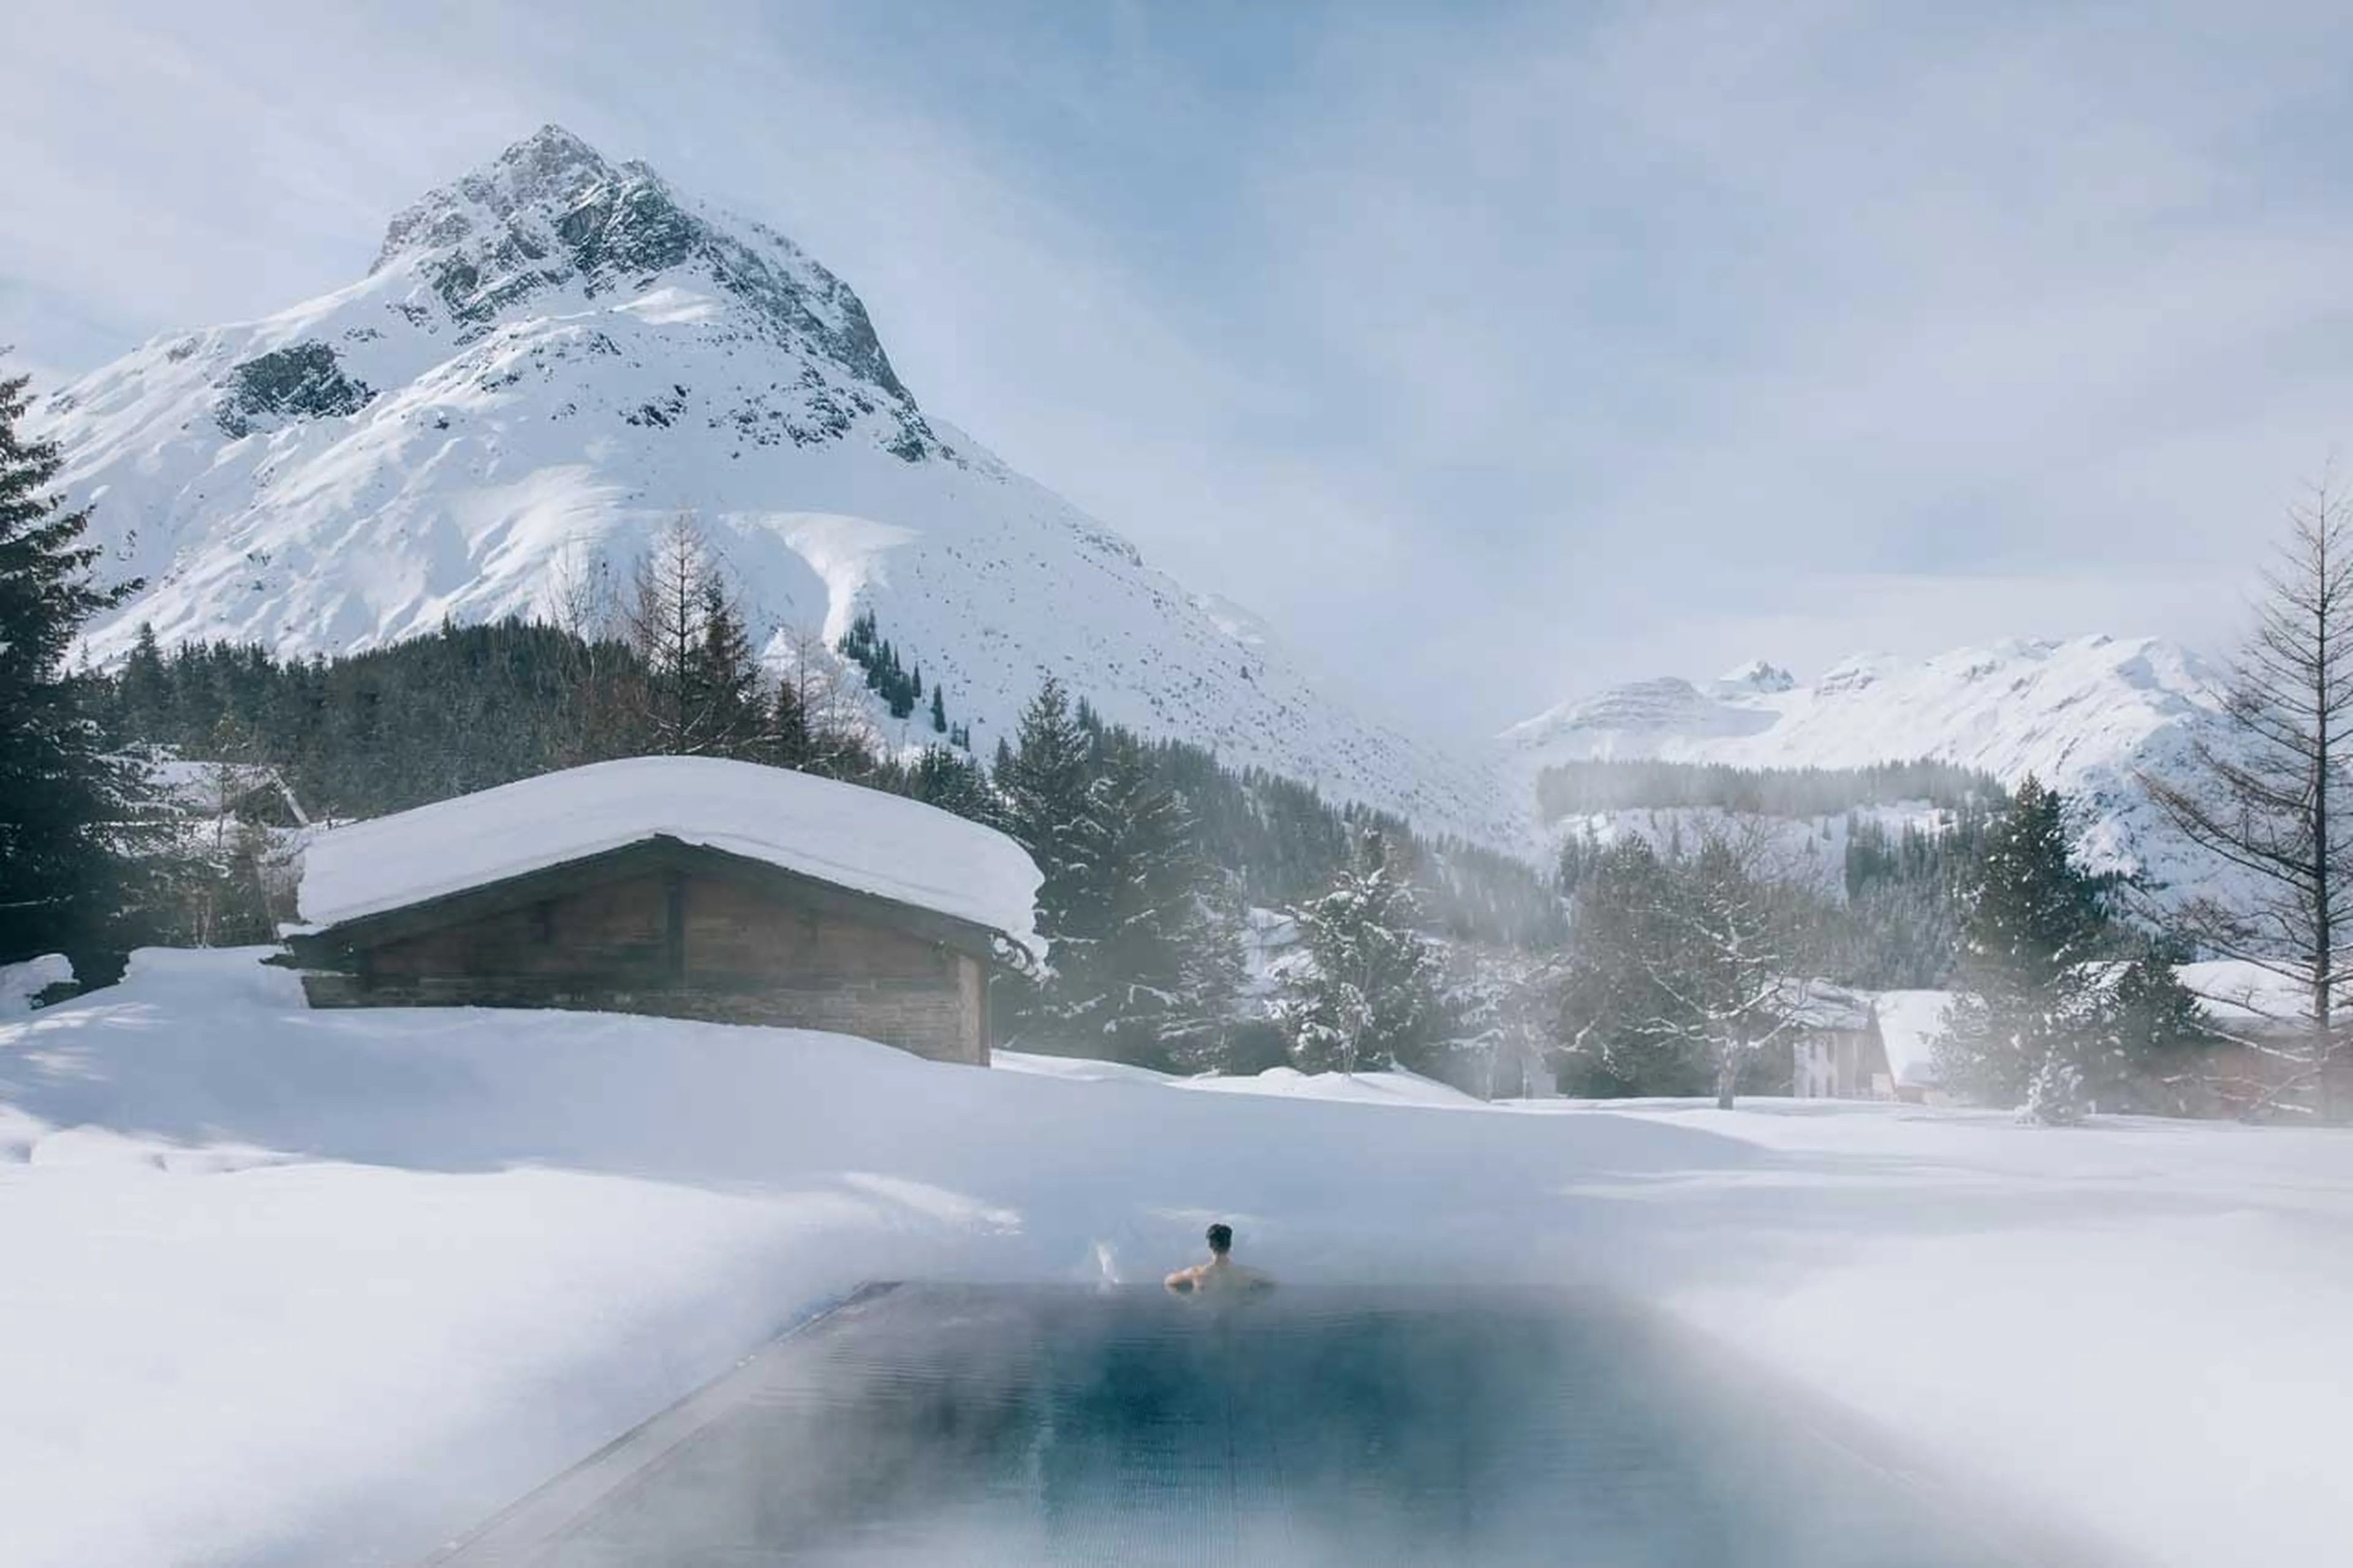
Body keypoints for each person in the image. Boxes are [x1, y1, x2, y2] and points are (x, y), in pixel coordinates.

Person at [1164, 1221, 1272, 1295]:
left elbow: (1168, 1282)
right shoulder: (1244, 1274)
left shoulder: (1196, 1274)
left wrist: (1187, 1299)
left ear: (1210, 1246)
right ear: (1230, 1246)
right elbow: (1272, 1284)